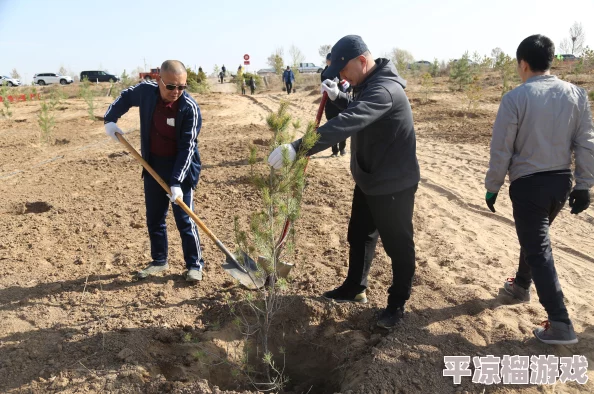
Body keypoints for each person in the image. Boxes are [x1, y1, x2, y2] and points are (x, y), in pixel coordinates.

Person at [267, 35, 420, 328]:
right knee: (360, 235)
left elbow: (350, 121)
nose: (340, 76)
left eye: (343, 71)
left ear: (362, 61)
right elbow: (355, 108)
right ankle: (354, 288)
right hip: (369, 178)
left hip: (393, 184)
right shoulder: (367, 85)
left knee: (398, 246)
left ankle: (397, 304)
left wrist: (297, 148)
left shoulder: (385, 91)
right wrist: (340, 97)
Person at [485, 35, 593, 345]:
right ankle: (520, 285)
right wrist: (584, 184)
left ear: (523, 64)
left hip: (529, 185)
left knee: (538, 247)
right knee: (534, 237)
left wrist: (492, 187)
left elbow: (501, 149)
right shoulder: (577, 94)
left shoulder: (516, 98)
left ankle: (560, 322)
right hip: (560, 184)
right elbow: (585, 143)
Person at [103, 60, 205, 282]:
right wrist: (110, 120)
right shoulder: (146, 92)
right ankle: (159, 261)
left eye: (182, 87)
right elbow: (125, 97)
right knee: (155, 217)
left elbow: (187, 149)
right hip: (153, 164)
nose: (176, 92)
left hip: (181, 168)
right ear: (159, 80)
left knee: (185, 219)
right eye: (171, 86)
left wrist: (177, 182)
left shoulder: (189, 109)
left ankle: (194, 264)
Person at [321, 52, 351, 157]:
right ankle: (334, 151)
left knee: (343, 126)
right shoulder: (324, 73)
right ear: (327, 62)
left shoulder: (341, 71)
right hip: (330, 104)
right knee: (332, 127)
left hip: (342, 102)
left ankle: (342, 148)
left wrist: (344, 85)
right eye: (329, 62)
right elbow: (325, 87)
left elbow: (348, 85)